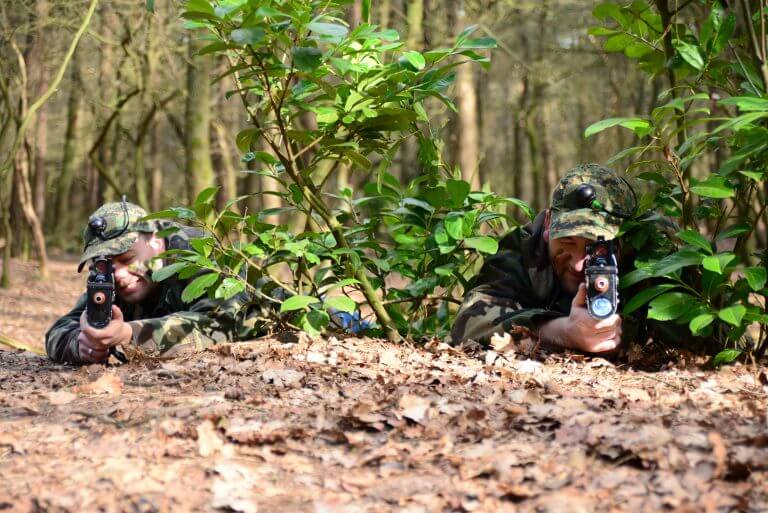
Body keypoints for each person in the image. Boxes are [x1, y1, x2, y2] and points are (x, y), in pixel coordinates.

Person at [46, 200, 271, 365]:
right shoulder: (107, 277)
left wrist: (129, 335)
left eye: (128, 259)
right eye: (106, 265)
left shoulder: (197, 251)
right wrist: (82, 345)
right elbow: (60, 328)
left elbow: (220, 323)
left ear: (155, 240)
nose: (119, 275)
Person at [448, 163, 639, 354]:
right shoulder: (522, 251)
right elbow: (470, 321)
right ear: (548, 223)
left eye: (597, 249)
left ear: (621, 242)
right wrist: (561, 332)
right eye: (567, 241)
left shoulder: (641, 258)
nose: (578, 265)